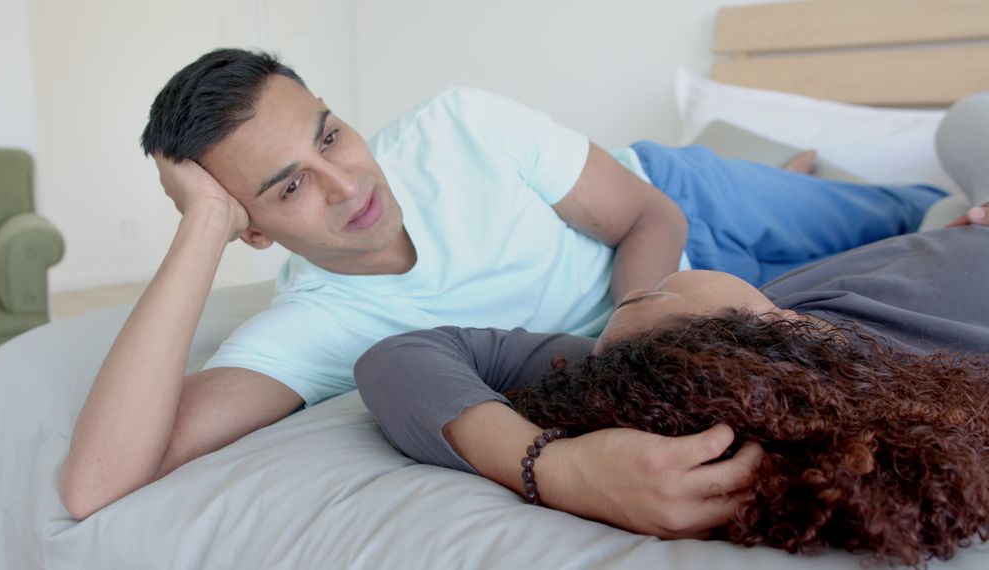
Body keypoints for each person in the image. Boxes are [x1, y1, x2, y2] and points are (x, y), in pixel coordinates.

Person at [58, 48, 948, 520]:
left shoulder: (458, 126)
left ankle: (797, 169)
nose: (345, 185)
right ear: (249, 227)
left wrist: (634, 331)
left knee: (918, 205)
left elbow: (647, 219)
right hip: (719, 305)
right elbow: (96, 484)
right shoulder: (314, 326)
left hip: (685, 203)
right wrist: (198, 229)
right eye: (286, 186)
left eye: (329, 135)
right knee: (911, 251)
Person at [354, 215, 989, 565]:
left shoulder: (677, 358)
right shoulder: (946, 370)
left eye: (641, 296)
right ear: (762, 343)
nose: (632, 293)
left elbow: (401, 354)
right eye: (654, 294)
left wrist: (547, 465)